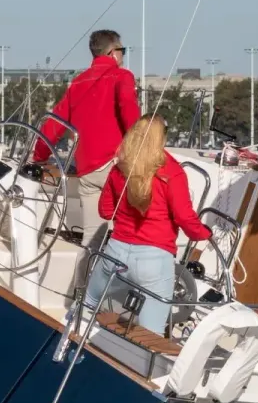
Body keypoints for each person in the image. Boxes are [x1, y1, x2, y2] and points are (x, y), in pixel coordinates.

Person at [90, 115, 211, 335]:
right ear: (162, 138)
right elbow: (185, 218)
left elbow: (105, 211)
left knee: (87, 304)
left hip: (115, 253)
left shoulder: (120, 168)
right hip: (154, 261)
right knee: (150, 334)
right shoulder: (173, 173)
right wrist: (204, 233)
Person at [33, 29, 141, 234]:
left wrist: (39, 156)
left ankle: (89, 256)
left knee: (92, 235)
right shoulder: (122, 76)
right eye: (122, 50)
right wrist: (141, 148)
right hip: (114, 165)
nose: (123, 55)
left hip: (87, 169)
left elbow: (54, 124)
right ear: (112, 53)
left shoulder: (78, 82)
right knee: (126, 232)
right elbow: (129, 110)